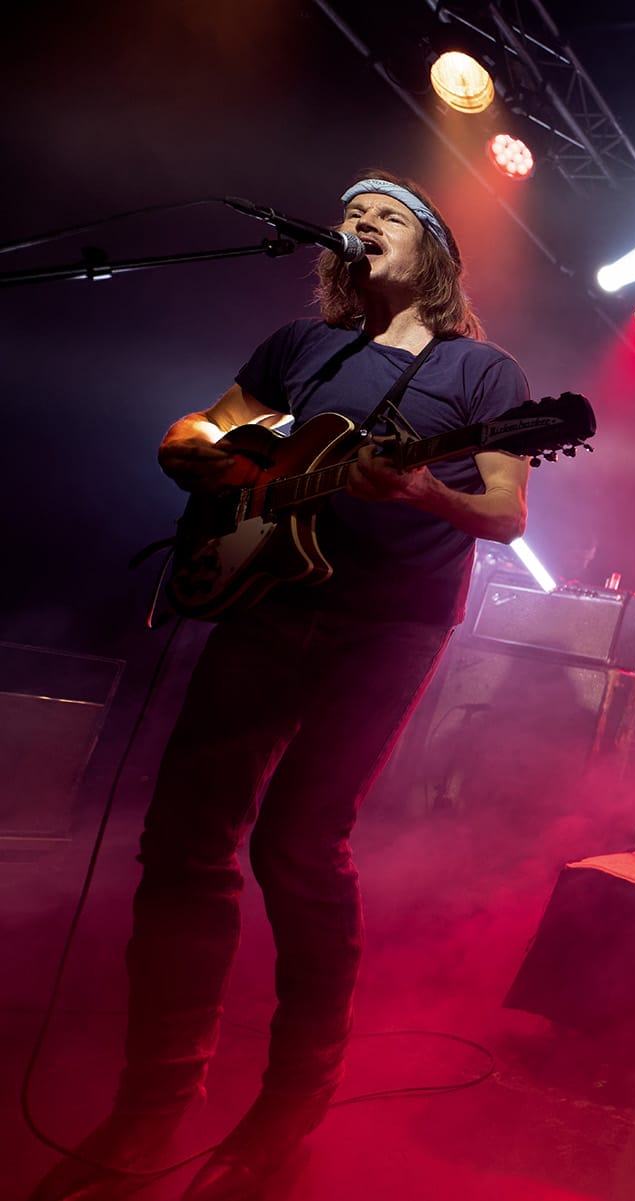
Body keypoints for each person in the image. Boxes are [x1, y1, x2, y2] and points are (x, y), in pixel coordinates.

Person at [30, 170, 532, 1201]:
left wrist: (425, 490)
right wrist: (195, 452)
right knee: (184, 838)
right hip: (265, 599)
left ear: (435, 250)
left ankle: (289, 1109)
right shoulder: (304, 347)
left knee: (298, 845)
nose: (362, 224)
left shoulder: (483, 371)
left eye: (387, 215)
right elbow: (209, 427)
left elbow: (506, 512)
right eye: (352, 216)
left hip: (388, 622)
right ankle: (152, 1104)